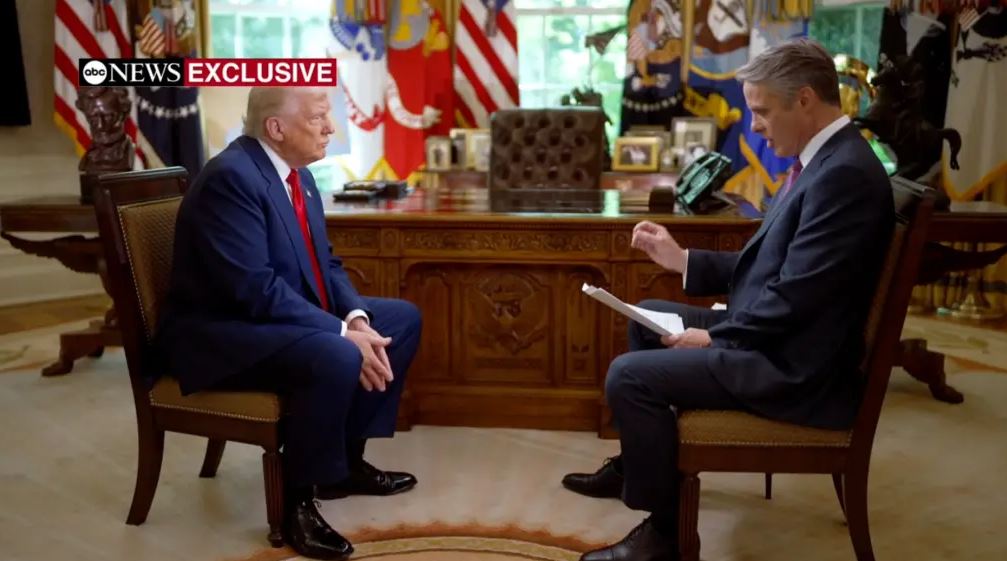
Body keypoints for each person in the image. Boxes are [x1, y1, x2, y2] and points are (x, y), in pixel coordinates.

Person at [563, 38, 894, 561]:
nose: (754, 126)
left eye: (761, 111)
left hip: (795, 369)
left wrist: (716, 338)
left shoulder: (844, 175)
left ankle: (665, 535)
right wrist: (682, 260)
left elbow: (797, 296)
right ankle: (641, 462)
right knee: (648, 317)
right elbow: (776, 264)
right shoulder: (826, 160)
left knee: (628, 376)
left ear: (804, 99)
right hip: (781, 338)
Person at [156, 87, 422, 560]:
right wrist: (340, 333)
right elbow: (253, 289)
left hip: (270, 316)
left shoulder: (299, 175)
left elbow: (326, 263)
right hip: (222, 333)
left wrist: (355, 317)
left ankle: (344, 465)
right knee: (336, 352)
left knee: (399, 320)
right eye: (319, 118)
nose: (331, 127)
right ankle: (296, 502)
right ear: (275, 128)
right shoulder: (231, 178)